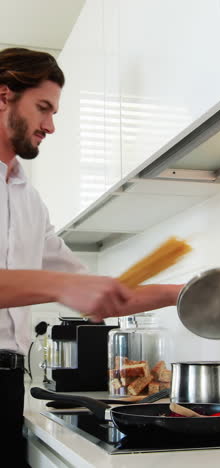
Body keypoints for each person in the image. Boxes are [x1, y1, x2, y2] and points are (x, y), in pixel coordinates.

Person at [0, 47, 183, 466]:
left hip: (9, 385)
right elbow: (72, 286)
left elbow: (103, 293)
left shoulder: (29, 200)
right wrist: (66, 286)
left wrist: (188, 291)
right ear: (3, 96)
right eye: (43, 108)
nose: (50, 126)